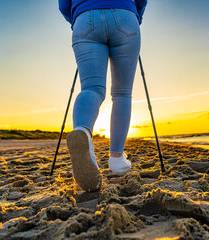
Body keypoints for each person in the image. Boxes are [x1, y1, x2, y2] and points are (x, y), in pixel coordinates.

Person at [58, 0, 147, 192]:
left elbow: (63, 4)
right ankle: (116, 159)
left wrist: (76, 17)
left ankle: (82, 130)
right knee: (122, 93)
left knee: (91, 88)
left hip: (85, 18)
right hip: (125, 15)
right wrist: (136, 13)